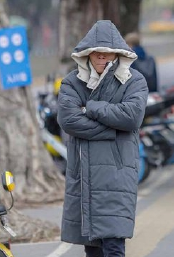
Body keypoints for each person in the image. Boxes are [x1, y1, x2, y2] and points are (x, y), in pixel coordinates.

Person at [57, 20, 148, 257]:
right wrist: (111, 130)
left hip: (117, 175)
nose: (101, 58)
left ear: (117, 53)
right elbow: (69, 121)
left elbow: (131, 117)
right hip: (84, 175)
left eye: (106, 53)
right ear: (86, 54)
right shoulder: (72, 82)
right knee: (93, 248)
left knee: (114, 245)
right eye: (96, 53)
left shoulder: (134, 80)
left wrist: (91, 107)